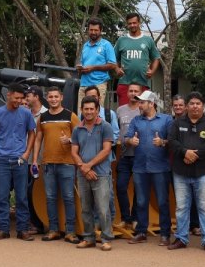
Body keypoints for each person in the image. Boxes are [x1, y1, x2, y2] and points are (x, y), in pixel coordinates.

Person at [167, 92, 205, 251]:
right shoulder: (177, 122)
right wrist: (185, 153)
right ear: (187, 106)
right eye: (192, 103)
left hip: (203, 172)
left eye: (198, 103)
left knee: (204, 207)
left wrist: (195, 154)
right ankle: (181, 238)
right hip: (181, 172)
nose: (195, 106)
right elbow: (172, 141)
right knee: (182, 207)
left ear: (203, 106)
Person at [0, 84, 37, 240]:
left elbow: (32, 133)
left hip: (20, 160)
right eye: (17, 98)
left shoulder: (26, 113)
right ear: (8, 95)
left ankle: (22, 230)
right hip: (2, 160)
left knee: (21, 196)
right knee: (2, 196)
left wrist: (26, 153)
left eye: (22, 98)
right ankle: (3, 229)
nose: (20, 101)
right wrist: (1, 151)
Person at [125, 90, 172, 246]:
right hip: (140, 167)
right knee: (141, 201)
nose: (139, 104)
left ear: (151, 104)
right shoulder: (136, 121)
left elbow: (174, 141)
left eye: (142, 102)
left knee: (162, 201)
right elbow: (126, 138)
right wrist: (131, 141)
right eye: (139, 102)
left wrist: (163, 142)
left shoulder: (166, 120)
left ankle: (165, 234)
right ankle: (141, 232)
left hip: (160, 167)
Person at [35, 85, 79, 242]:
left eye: (56, 96)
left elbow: (81, 136)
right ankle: (53, 229)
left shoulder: (70, 115)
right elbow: (38, 138)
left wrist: (70, 140)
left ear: (61, 98)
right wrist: (35, 160)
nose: (53, 99)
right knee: (50, 197)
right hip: (48, 164)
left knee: (68, 197)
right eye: (50, 97)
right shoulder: (43, 117)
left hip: (67, 163)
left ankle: (70, 231)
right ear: (47, 98)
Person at [71, 95, 115, 250]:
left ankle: (106, 238)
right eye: (86, 109)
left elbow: (106, 150)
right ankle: (88, 237)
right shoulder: (77, 129)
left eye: (92, 109)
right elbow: (74, 151)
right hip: (82, 174)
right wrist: (83, 168)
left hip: (101, 174)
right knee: (85, 208)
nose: (89, 112)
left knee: (103, 209)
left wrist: (87, 166)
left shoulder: (105, 126)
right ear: (82, 110)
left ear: (97, 110)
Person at [114, 12, 161, 104]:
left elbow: (156, 58)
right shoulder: (121, 40)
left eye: (134, 23)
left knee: (142, 113)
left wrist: (152, 71)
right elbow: (112, 58)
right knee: (125, 114)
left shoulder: (148, 40)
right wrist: (117, 69)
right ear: (127, 24)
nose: (132, 25)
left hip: (142, 83)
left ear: (139, 23)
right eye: (130, 23)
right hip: (125, 83)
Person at [114, 84, 143, 231]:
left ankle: (136, 218)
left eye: (136, 91)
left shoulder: (143, 109)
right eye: (131, 91)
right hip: (125, 155)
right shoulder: (120, 110)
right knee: (120, 186)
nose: (133, 93)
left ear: (140, 93)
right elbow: (117, 131)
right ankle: (126, 218)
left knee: (139, 189)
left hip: (140, 156)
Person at [76, 18, 118, 106]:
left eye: (96, 30)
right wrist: (81, 68)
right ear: (88, 30)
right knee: (81, 115)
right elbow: (83, 64)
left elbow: (113, 65)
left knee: (96, 113)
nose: (93, 32)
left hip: (99, 85)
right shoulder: (85, 46)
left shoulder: (106, 45)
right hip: (84, 84)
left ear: (101, 30)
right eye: (91, 30)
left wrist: (93, 68)